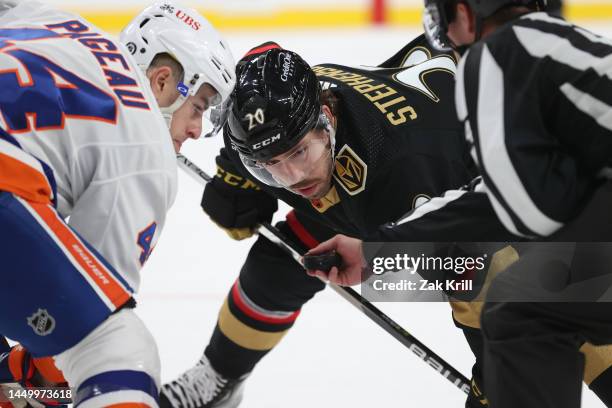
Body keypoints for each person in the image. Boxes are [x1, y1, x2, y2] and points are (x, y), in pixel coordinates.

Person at [159, 37, 481, 407]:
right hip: (378, 169)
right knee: (284, 261)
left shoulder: (404, 181)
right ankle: (218, 377)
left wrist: (502, 373)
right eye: (269, 164)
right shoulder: (265, 122)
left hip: (514, 185)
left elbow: (487, 280)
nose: (294, 177)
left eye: (299, 152)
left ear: (327, 120)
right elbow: (261, 59)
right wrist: (237, 178)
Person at [0, 1, 235, 406]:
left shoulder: (57, 23)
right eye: (198, 106)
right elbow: (72, 339)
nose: (196, 129)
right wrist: (28, 386)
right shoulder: (148, 148)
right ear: (161, 81)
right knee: (118, 350)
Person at [421, 1, 612, 407]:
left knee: (522, 312)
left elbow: (519, 207)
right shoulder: (562, 48)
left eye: (448, 17)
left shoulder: (498, 63)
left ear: (469, 14)